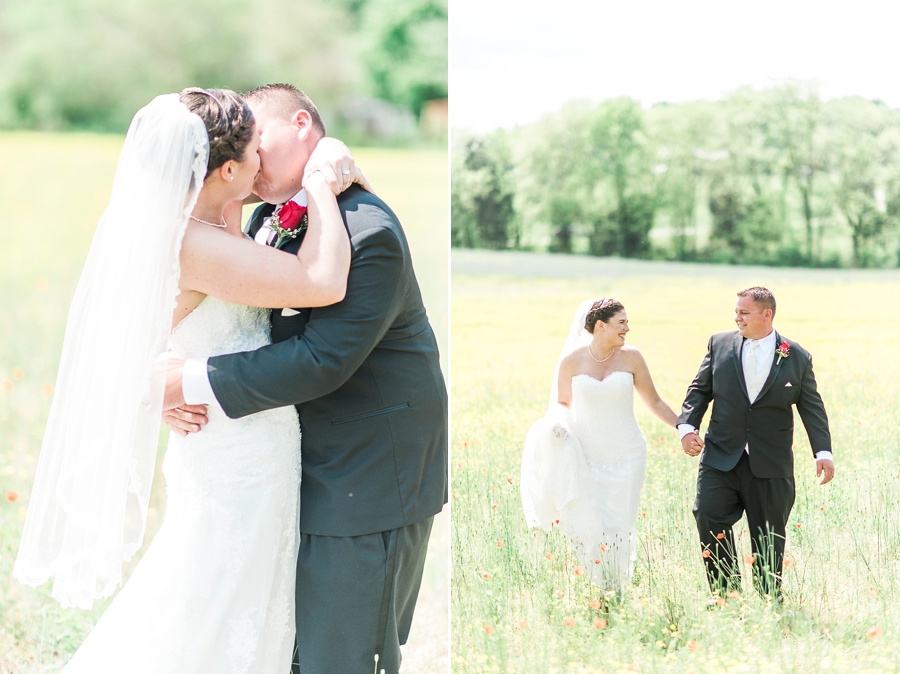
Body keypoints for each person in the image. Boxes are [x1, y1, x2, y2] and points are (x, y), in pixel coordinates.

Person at [14, 88, 365, 672]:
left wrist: (158, 387)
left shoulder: (213, 218)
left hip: (243, 443)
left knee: (235, 606)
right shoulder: (195, 244)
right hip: (235, 459)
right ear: (225, 168)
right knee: (209, 609)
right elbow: (323, 281)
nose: (263, 164)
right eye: (254, 151)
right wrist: (323, 187)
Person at [162, 83, 448, 674]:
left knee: (341, 657)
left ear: (300, 124)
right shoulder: (265, 216)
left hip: (364, 476)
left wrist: (189, 381)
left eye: (256, 138)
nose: (250, 157)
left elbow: (322, 359)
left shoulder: (368, 230)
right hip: (286, 471)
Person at [678, 286, 834, 598]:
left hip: (770, 462)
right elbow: (699, 389)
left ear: (767, 315)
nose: (737, 317)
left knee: (769, 537)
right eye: (736, 311)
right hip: (720, 455)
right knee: (708, 515)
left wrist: (823, 451)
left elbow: (811, 407)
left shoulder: (795, 355)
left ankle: (768, 603)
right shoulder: (719, 344)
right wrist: (687, 427)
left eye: (744, 312)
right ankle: (726, 596)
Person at [520, 298, 679, 593]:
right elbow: (562, 405)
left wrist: (683, 427)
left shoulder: (632, 358)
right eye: (622, 323)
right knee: (593, 525)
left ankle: (617, 587)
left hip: (628, 454)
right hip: (587, 456)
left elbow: (654, 401)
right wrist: (558, 429)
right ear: (601, 326)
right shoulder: (572, 361)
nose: (627, 329)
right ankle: (597, 587)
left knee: (620, 523)